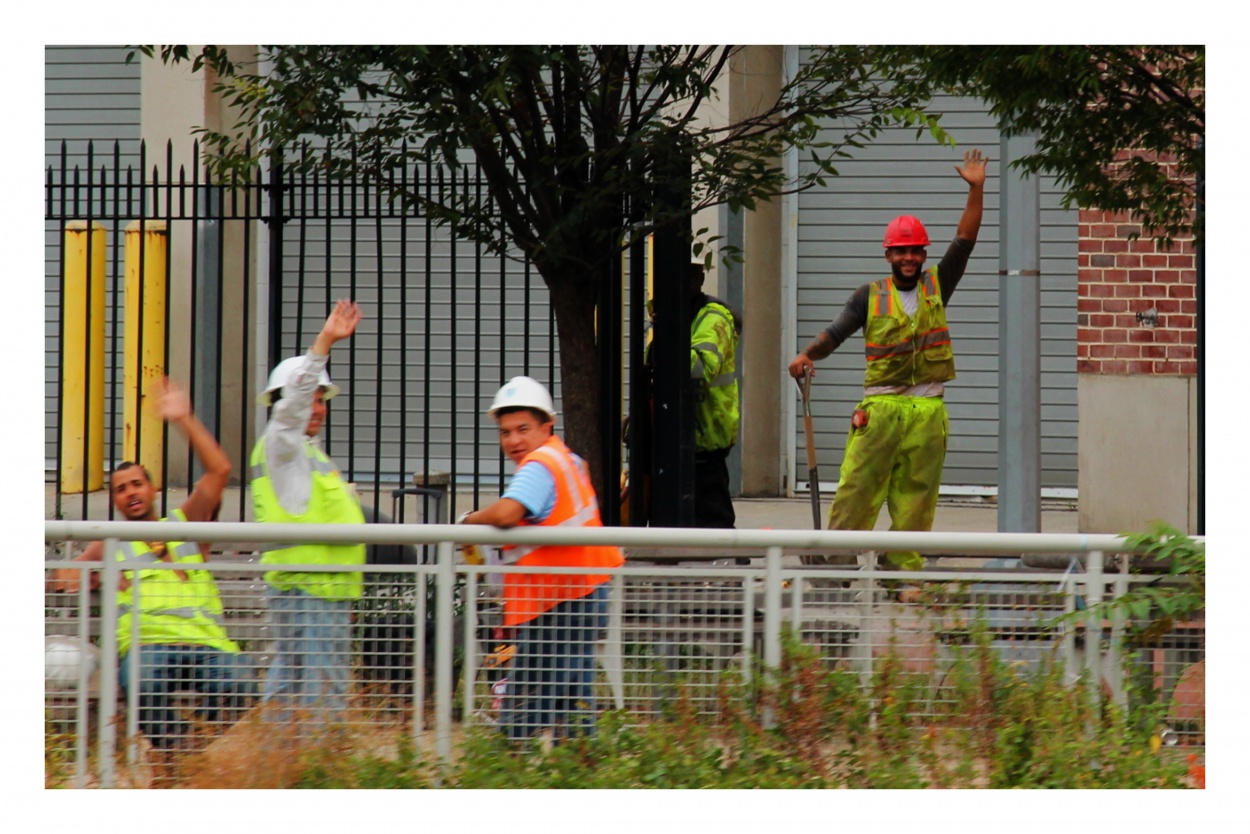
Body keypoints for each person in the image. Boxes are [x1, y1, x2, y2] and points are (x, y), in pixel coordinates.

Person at [787, 148, 987, 574]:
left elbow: (965, 241)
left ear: (923, 253)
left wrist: (977, 190)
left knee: (917, 496)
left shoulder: (938, 283)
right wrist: (806, 354)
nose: (909, 258)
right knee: (858, 488)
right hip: (880, 409)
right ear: (888, 256)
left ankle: (902, 572)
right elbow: (835, 334)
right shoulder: (869, 295)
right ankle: (835, 566)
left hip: (928, 409)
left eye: (915, 251)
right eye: (901, 252)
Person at [52, 377, 247, 769]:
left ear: (153, 489)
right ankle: (186, 757)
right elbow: (64, 580)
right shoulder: (111, 542)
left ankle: (208, 758)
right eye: (121, 489)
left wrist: (184, 418)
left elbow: (220, 470)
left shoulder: (186, 525)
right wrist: (94, 571)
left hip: (208, 647)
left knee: (238, 687)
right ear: (116, 501)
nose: (131, 492)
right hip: (148, 650)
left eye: (137, 483)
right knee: (143, 684)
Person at [461, 376, 624, 744]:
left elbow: (507, 513)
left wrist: (467, 522)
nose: (513, 441)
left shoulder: (539, 465)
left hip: (558, 601)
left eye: (522, 429)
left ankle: (506, 773)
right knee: (574, 700)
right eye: (505, 433)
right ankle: (583, 771)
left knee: (525, 704)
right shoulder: (568, 459)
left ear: (546, 426)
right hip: (584, 593)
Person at [250, 299, 366, 726]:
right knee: (323, 698)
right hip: (310, 589)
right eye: (310, 398)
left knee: (290, 689)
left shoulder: (304, 454)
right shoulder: (283, 444)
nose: (317, 406)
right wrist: (325, 342)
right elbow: (291, 411)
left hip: (318, 589)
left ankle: (272, 769)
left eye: (323, 399)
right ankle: (316, 777)